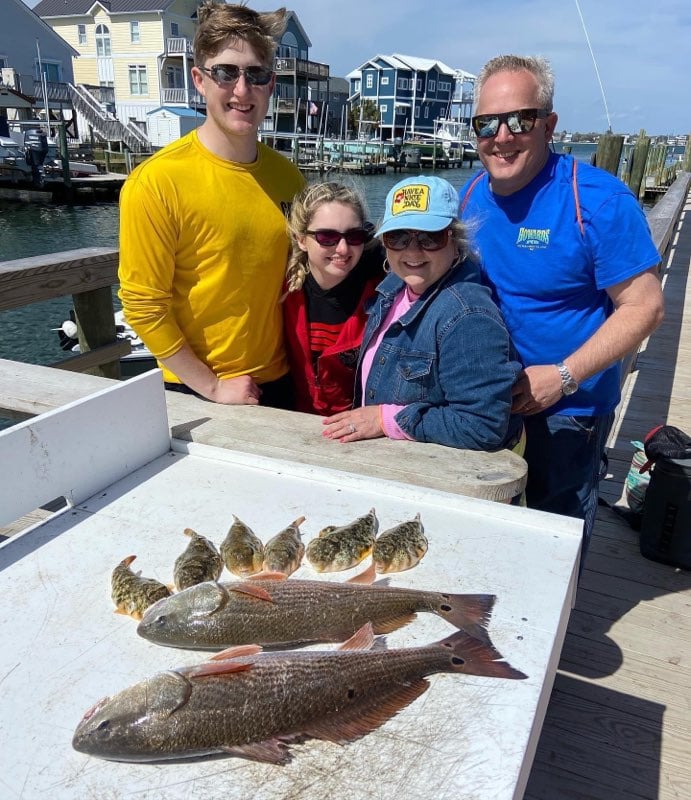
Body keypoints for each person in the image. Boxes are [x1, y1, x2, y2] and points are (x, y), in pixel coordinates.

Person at [458, 54, 664, 557]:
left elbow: (644, 306)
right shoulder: (468, 196)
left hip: (568, 410)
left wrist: (563, 376)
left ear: (548, 125)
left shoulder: (596, 199)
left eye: (519, 119)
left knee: (557, 539)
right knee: (486, 531)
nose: (501, 136)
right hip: (488, 405)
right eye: (487, 123)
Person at [118, 2, 305, 409]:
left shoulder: (289, 178)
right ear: (199, 80)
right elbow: (143, 305)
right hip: (200, 390)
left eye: (256, 74)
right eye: (226, 72)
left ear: (271, 84)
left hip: (282, 379)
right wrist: (213, 387)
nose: (242, 89)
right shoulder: (155, 182)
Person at [322, 175, 524, 453]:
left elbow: (483, 426)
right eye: (398, 237)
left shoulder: (468, 316)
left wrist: (385, 419)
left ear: (455, 240)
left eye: (431, 238)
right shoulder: (393, 288)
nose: (413, 251)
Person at [283, 181, 385, 415]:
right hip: (295, 417)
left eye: (354, 236)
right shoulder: (283, 287)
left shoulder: (384, 288)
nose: (342, 248)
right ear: (301, 239)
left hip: (359, 424)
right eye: (327, 237)